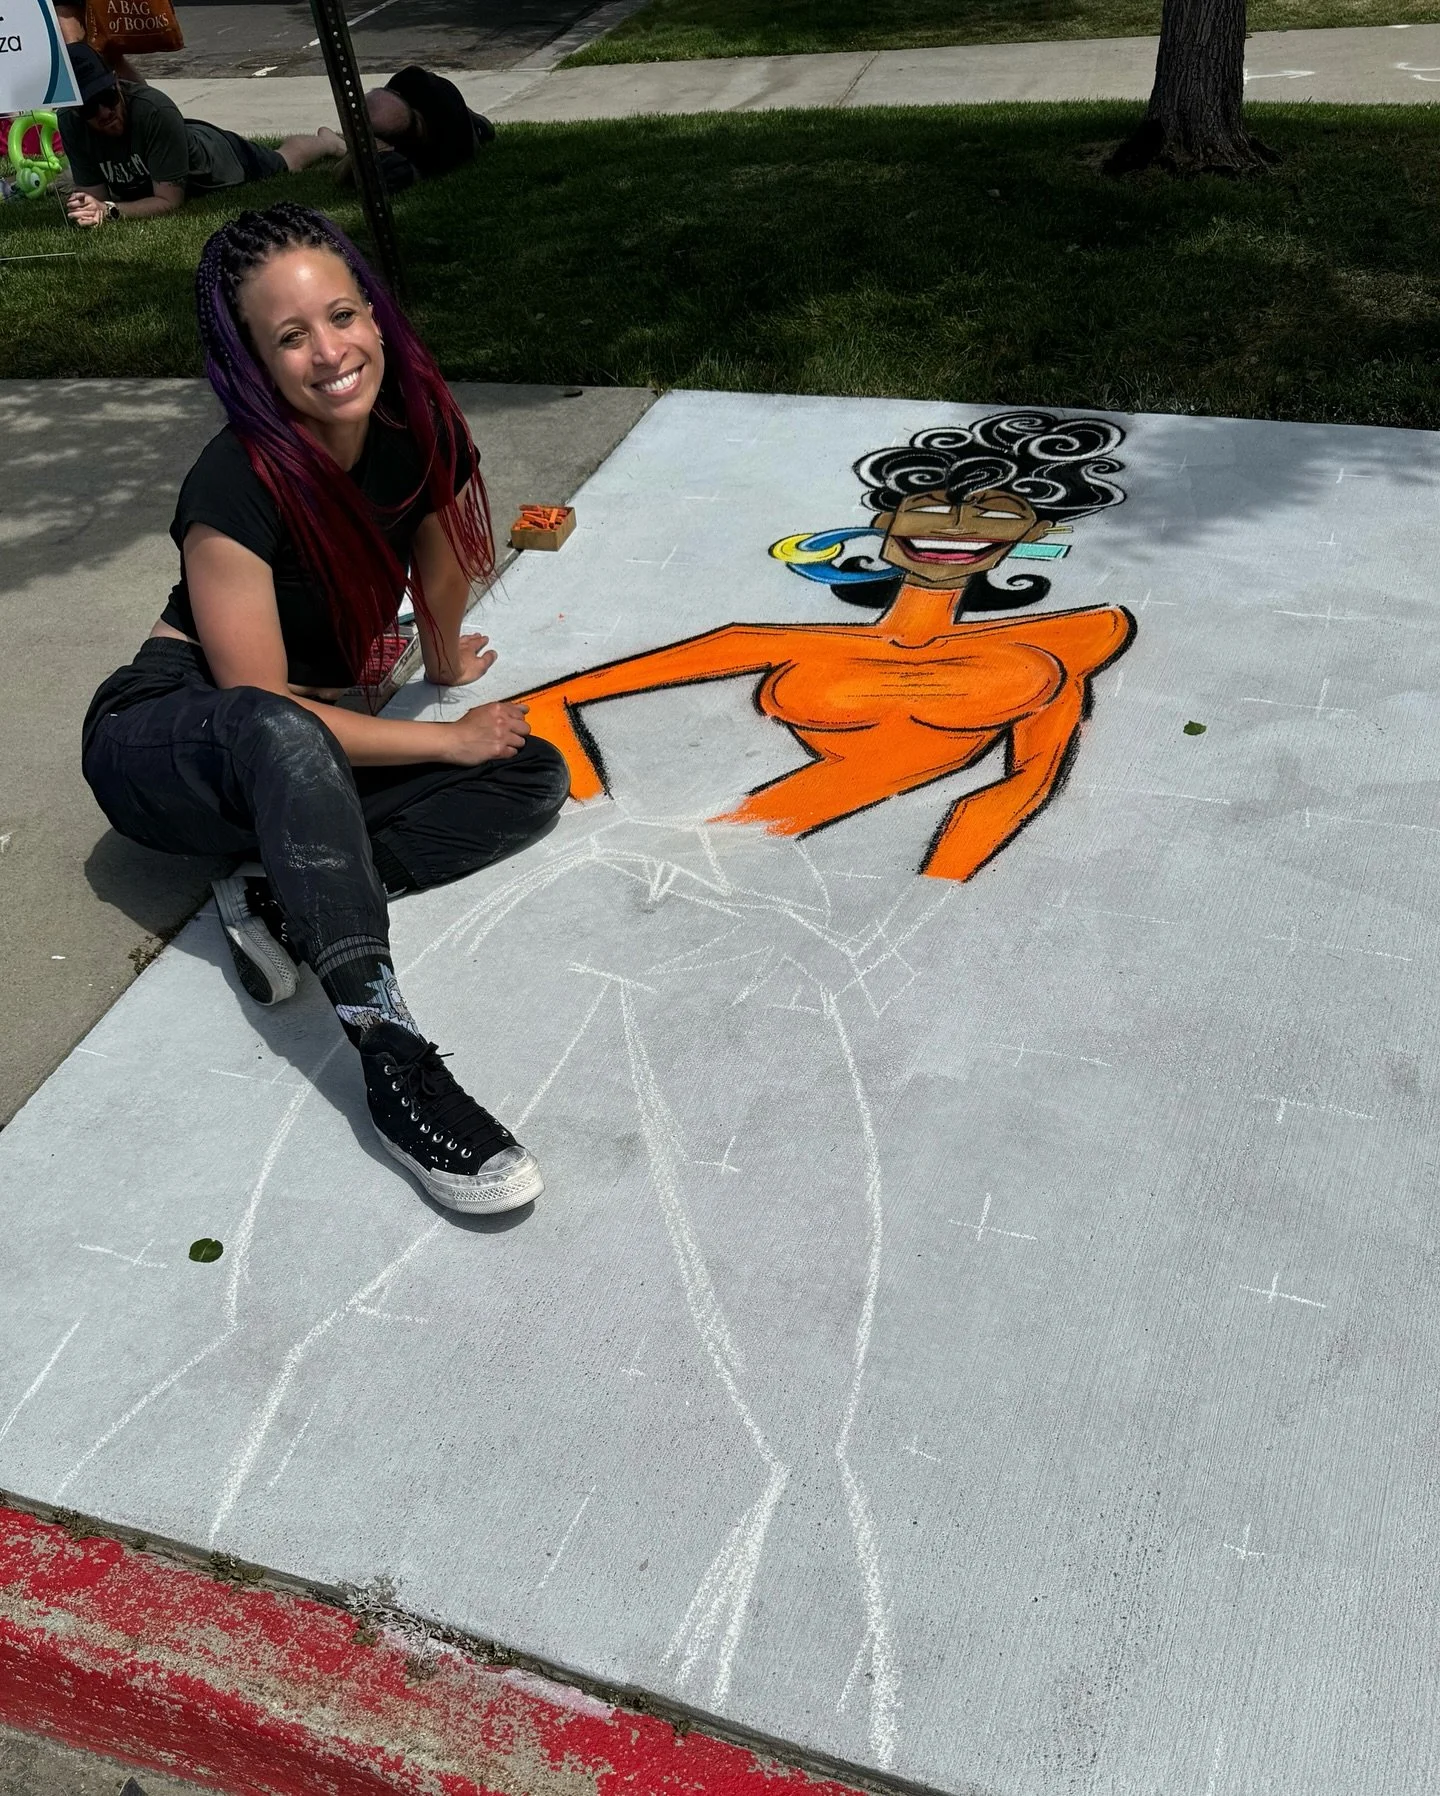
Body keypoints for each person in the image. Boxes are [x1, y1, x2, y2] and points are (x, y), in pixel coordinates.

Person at [80, 201, 571, 1214]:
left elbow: (437, 553)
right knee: (304, 734)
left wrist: (445, 658)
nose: (330, 352)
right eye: (291, 337)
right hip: (170, 739)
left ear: (375, 315)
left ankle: (274, 896)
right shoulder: (233, 484)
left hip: (295, 748)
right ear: (255, 365)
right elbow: (262, 706)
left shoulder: (415, 423)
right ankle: (394, 1066)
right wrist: (441, 741)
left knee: (529, 774)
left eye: (342, 315)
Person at [519, 413, 1134, 884]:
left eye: (997, 516)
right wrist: (596, 811)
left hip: (814, 868)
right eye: (926, 509)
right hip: (709, 846)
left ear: (1034, 536)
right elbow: (540, 704)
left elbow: (1025, 784)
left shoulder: (1056, 646)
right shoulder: (762, 642)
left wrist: (937, 887)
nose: (953, 529)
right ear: (883, 528)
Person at [59, 44, 344, 226]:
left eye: (107, 97)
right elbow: (95, 197)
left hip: (217, 160)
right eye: (88, 107)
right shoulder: (70, 123)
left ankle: (326, 142)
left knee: (285, 161)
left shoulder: (154, 110)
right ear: (74, 109)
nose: (104, 112)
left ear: (117, 82)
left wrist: (109, 210)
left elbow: (168, 202)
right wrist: (90, 208)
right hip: (168, 151)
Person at [350, 67, 495, 193]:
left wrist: (361, 152)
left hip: (467, 124)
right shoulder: (405, 83)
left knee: (485, 130)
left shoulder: (447, 149)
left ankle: (476, 119)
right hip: (436, 95)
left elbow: (416, 174)